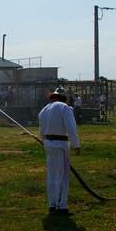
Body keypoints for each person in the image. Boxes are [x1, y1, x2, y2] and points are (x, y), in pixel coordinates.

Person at [38, 87, 81, 216]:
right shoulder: (64, 107)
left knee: (51, 176)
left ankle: (52, 204)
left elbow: (41, 131)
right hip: (60, 144)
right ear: (63, 98)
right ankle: (62, 206)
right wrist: (76, 144)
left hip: (49, 144)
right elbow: (71, 128)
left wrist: (44, 140)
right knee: (62, 176)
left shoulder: (44, 109)